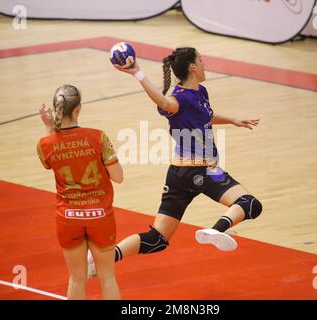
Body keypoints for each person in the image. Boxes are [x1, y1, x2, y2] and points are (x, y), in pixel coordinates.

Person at [97, 47, 262, 268]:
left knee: (157, 240)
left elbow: (205, 116)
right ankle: (215, 230)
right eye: (202, 60)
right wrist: (138, 73)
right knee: (249, 204)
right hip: (201, 171)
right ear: (193, 67)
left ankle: (102, 259)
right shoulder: (177, 99)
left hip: (179, 174)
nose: (205, 64)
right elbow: (164, 103)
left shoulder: (200, 92)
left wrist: (233, 120)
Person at [37, 84, 122, 300]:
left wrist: (49, 128)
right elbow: (118, 177)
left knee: (76, 279)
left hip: (68, 217)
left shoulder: (44, 143)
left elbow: (50, 161)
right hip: (100, 216)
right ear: (78, 109)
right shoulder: (97, 137)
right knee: (107, 278)